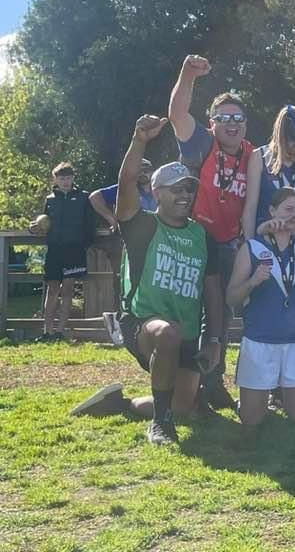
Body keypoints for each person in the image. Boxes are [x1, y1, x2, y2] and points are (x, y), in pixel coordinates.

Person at [70, 116, 224, 445]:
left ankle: (122, 403)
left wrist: (214, 340)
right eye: (175, 189)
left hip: (187, 334)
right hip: (143, 324)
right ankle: (160, 424)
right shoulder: (143, 226)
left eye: (188, 188)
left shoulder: (201, 236)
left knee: (182, 405)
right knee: (166, 332)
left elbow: (212, 294)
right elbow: (125, 185)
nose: (184, 194)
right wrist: (139, 140)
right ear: (156, 192)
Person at [168, 54, 252, 410]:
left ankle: (213, 383)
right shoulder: (203, 144)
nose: (232, 124)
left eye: (238, 118)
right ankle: (184, 384)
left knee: (222, 317)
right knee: (189, 311)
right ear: (212, 123)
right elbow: (177, 114)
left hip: (229, 242)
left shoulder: (253, 154)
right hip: (194, 239)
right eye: (224, 118)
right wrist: (188, 74)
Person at [227, 187, 295, 430]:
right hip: (259, 340)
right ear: (272, 210)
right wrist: (252, 282)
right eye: (288, 209)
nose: (294, 215)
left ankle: (277, 395)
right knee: (252, 421)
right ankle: (247, 401)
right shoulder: (252, 248)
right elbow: (231, 297)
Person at [29, 162, 96, 341]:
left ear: (73, 178)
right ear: (55, 179)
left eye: (68, 178)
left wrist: (84, 245)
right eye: (61, 178)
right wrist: (33, 228)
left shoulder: (83, 197)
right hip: (55, 250)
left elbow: (90, 225)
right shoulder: (50, 199)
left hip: (74, 250)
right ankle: (47, 331)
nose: (65, 181)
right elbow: (42, 224)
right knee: (52, 290)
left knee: (67, 290)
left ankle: (60, 331)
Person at [89, 159, 155, 334]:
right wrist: (111, 218)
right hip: (127, 241)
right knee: (124, 280)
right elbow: (95, 197)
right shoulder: (126, 189)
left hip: (155, 242)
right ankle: (124, 319)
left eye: (146, 170)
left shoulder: (159, 189)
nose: (143, 174)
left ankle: (148, 317)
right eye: (139, 170)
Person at [242, 105, 295, 241]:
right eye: (293, 147)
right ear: (281, 140)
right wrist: (249, 245)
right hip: (270, 235)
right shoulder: (260, 157)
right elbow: (250, 207)